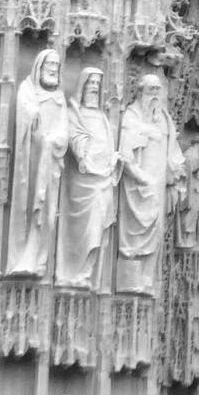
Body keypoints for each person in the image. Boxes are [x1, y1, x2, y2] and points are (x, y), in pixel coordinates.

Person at [116, 74, 186, 294]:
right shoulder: (131, 116)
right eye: (151, 90)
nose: (155, 94)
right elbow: (125, 155)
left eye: (158, 90)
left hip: (158, 185)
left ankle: (147, 280)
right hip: (138, 185)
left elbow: (173, 151)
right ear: (140, 91)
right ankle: (129, 282)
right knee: (134, 234)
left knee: (156, 232)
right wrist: (142, 178)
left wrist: (177, 172)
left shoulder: (164, 118)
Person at [7, 48, 71, 277]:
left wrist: (56, 140)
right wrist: (32, 116)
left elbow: (64, 128)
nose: (53, 69)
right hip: (28, 162)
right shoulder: (27, 90)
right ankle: (21, 257)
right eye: (49, 65)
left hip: (50, 163)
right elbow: (24, 115)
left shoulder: (60, 98)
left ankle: (40, 260)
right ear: (39, 67)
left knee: (46, 213)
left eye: (56, 66)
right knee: (26, 209)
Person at [56, 68, 116, 288]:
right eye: (90, 84)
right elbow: (73, 138)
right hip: (82, 182)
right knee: (82, 231)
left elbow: (108, 143)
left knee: (98, 230)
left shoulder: (102, 116)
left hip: (103, 180)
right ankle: (72, 273)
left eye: (97, 85)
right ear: (82, 86)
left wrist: (112, 159)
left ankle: (87, 273)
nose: (94, 88)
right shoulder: (75, 113)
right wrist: (83, 151)